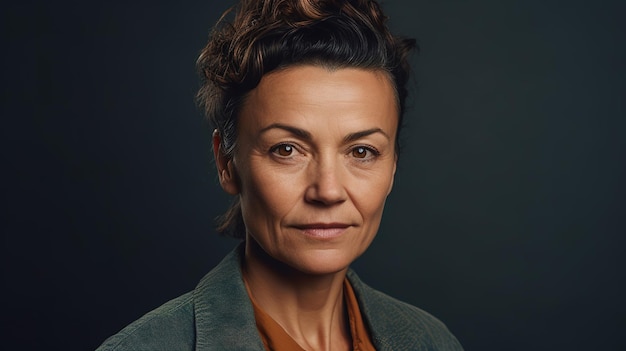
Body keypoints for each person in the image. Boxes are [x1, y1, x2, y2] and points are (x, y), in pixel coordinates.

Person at [96, 0, 463, 350]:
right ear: (227, 162)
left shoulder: (432, 341)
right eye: (287, 149)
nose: (328, 190)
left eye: (361, 152)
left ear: (393, 165)